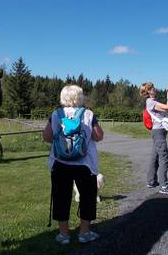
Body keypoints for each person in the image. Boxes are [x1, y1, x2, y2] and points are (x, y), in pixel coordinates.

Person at [43, 85, 104, 244]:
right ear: (80, 97)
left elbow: (47, 137)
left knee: (61, 197)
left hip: (60, 163)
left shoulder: (56, 114)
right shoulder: (88, 114)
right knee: (88, 197)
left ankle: (64, 235)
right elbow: (98, 136)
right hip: (85, 164)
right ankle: (84, 233)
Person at [139, 82, 168, 196]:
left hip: (158, 132)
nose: (154, 89)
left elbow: (165, 110)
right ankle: (164, 186)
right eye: (151, 88)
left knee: (155, 156)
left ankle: (151, 181)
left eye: (153, 87)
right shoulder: (151, 102)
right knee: (164, 157)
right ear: (147, 92)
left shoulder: (153, 101)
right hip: (158, 133)